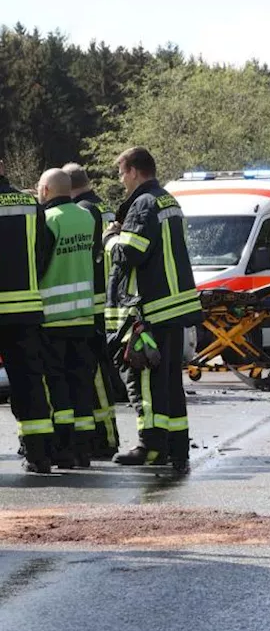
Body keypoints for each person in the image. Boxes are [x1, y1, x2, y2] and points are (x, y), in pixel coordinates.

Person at [104, 147, 202, 474]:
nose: (121, 180)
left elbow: (131, 253)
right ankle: (176, 448)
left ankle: (150, 447)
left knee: (145, 379)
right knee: (170, 382)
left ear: (133, 171)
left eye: (121, 173)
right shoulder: (167, 200)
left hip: (152, 309)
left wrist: (110, 240)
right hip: (174, 306)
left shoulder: (143, 203)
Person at [36, 168, 100, 469]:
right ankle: (83, 449)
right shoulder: (86, 217)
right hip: (83, 315)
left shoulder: (49, 221)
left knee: (57, 384)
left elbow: (40, 263)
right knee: (81, 382)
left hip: (54, 317)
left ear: (46, 191)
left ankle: (62, 448)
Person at [0, 160, 56, 473]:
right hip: (24, 309)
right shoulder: (28, 203)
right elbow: (44, 249)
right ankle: (40, 454)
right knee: (29, 382)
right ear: (3, 167)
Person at [65, 162, 122, 459]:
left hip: (93, 302)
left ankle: (107, 439)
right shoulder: (105, 209)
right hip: (110, 299)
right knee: (101, 371)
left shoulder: (84, 211)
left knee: (97, 374)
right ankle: (107, 436)